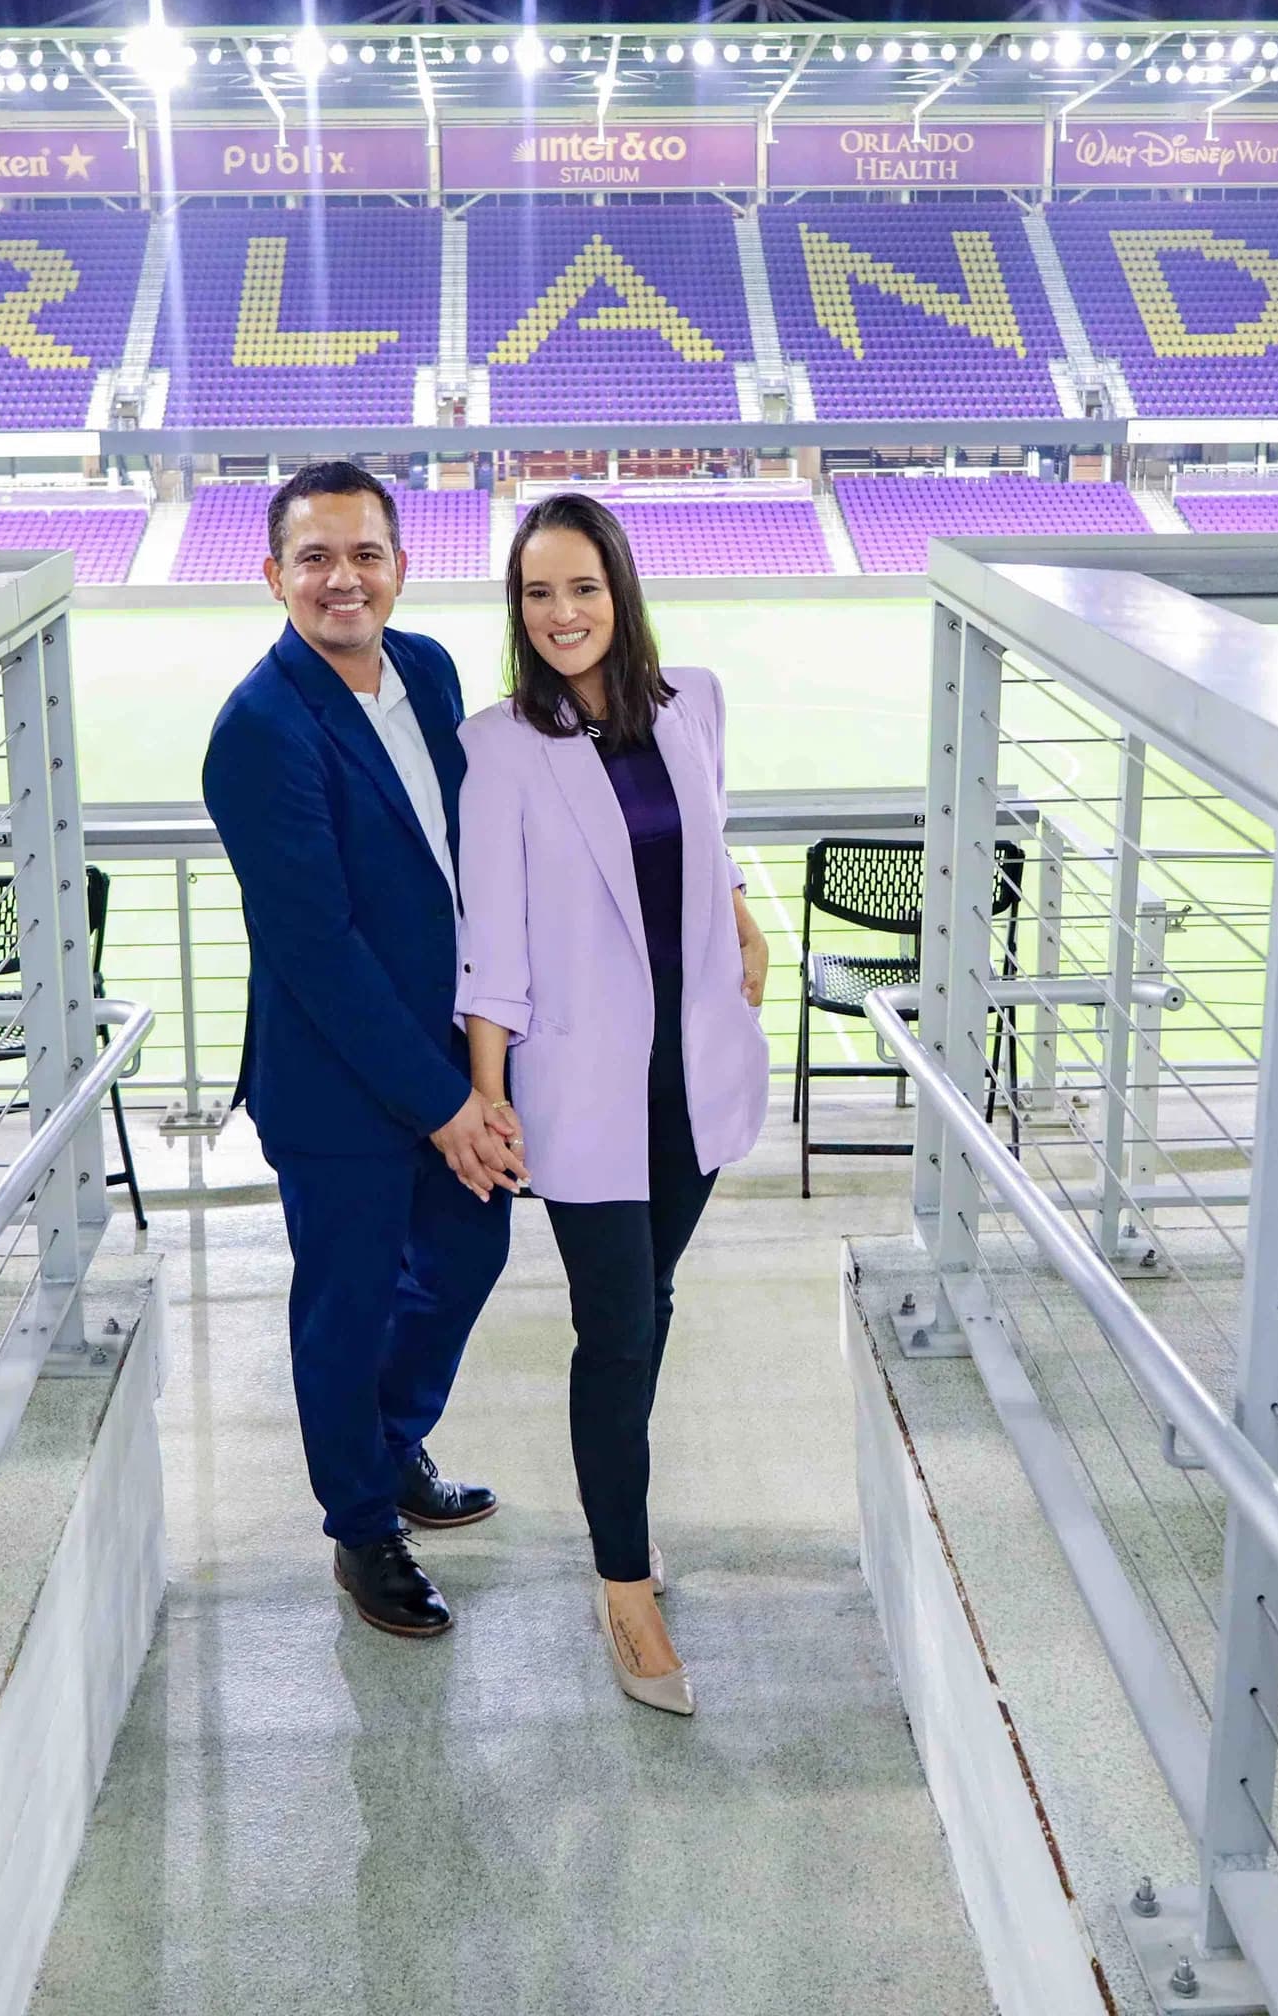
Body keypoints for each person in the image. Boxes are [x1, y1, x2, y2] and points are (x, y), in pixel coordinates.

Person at [453, 492, 772, 1715]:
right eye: (538, 593)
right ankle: (625, 1580)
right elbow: (492, 939)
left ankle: (620, 1509)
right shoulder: (502, 746)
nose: (562, 612)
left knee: (658, 1297)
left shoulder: (693, 699)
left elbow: (708, 837)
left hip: (690, 1078)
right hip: (584, 1089)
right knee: (620, 1327)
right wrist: (487, 1092)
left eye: (582, 586)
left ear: (620, 589)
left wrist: (740, 916)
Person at [201, 460, 525, 1641]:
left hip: (450, 1053)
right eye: (317, 557)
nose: (344, 578)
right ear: (274, 573)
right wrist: (449, 1104)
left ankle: (390, 1450)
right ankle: (358, 1526)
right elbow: (322, 949)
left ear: (400, 561)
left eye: (365, 553)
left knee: (466, 1251)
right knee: (343, 1306)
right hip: (341, 1080)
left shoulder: (430, 668)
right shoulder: (258, 730)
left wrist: (478, 1073)